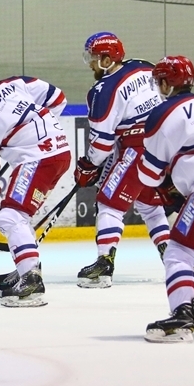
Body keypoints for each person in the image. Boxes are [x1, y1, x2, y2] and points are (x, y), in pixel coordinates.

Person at [0, 54, 70, 307]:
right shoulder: (15, 83)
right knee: (20, 214)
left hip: (38, 158)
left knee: (11, 216)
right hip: (60, 151)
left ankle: (31, 280)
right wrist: (33, 133)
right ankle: (27, 267)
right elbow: (58, 98)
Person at [137, 55, 194, 342]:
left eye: (159, 81)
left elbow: (149, 176)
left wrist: (169, 185)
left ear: (166, 83)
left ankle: (181, 317)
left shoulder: (162, 113)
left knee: (178, 250)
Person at [73, 32, 170, 288]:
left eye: (93, 58)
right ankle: (174, 260)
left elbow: (102, 143)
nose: (91, 64)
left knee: (109, 204)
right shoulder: (144, 66)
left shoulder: (102, 90)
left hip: (137, 149)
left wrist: (89, 164)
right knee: (150, 205)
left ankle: (104, 265)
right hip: (166, 146)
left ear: (106, 59)